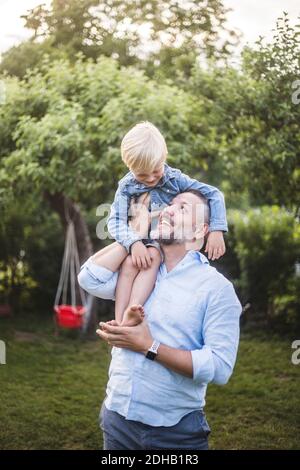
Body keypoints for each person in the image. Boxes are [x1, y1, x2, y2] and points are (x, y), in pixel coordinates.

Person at [78, 190, 242, 450]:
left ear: (201, 230)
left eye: (183, 208)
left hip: (176, 433)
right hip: (117, 418)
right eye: (170, 206)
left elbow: (219, 367)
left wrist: (149, 346)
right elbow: (89, 278)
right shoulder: (140, 267)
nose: (167, 210)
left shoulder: (216, 289)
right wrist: (131, 235)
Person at [105, 121, 228, 327]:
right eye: (142, 175)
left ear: (164, 158)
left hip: (162, 241)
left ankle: (132, 310)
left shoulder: (174, 178)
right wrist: (134, 243)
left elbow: (214, 193)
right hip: (135, 239)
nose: (151, 178)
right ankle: (120, 320)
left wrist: (216, 229)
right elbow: (114, 221)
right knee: (128, 264)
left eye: (155, 170)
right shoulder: (126, 187)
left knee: (152, 256)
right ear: (129, 167)